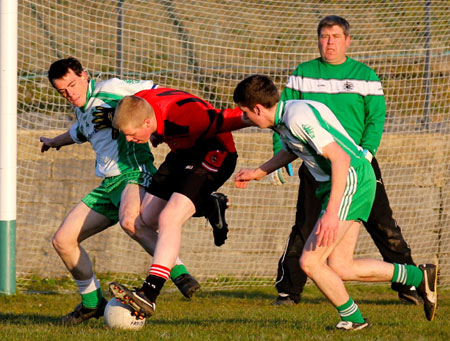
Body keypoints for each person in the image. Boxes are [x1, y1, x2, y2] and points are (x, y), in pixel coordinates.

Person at [233, 74, 437, 330]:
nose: (244, 119)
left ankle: (353, 318)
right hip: (347, 180)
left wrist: (331, 213)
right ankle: (418, 276)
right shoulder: (286, 117)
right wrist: (258, 172)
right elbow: (291, 149)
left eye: (245, 113)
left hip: (350, 179)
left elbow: (339, 158)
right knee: (341, 266)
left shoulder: (296, 118)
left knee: (309, 261)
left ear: (258, 108)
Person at [272, 15, 421, 306]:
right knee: (305, 226)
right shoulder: (302, 73)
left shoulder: (365, 75)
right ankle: (289, 290)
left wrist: (366, 152)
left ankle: (410, 285)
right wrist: (281, 154)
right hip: (316, 165)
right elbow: (279, 115)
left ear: (347, 40)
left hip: (359, 165)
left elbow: (375, 118)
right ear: (318, 39)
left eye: (336, 37)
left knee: (383, 225)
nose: (329, 42)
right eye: (325, 36)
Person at [40, 57, 201, 326]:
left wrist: (150, 123)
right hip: (108, 185)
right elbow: (79, 132)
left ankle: (181, 274)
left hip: (134, 172)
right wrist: (55, 141)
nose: (70, 93)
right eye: (63, 91)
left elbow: (156, 92)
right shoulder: (83, 110)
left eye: (72, 85)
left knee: (131, 222)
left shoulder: (111, 89)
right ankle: (92, 303)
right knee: (63, 240)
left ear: (85, 75)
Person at [108, 88, 252, 318]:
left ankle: (149, 293)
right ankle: (208, 205)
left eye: (132, 133)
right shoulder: (139, 103)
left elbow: (240, 117)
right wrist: (153, 133)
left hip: (214, 154)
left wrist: (278, 121)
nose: (128, 139)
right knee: (144, 221)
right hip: (182, 154)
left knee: (169, 219)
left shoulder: (187, 118)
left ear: (147, 121)